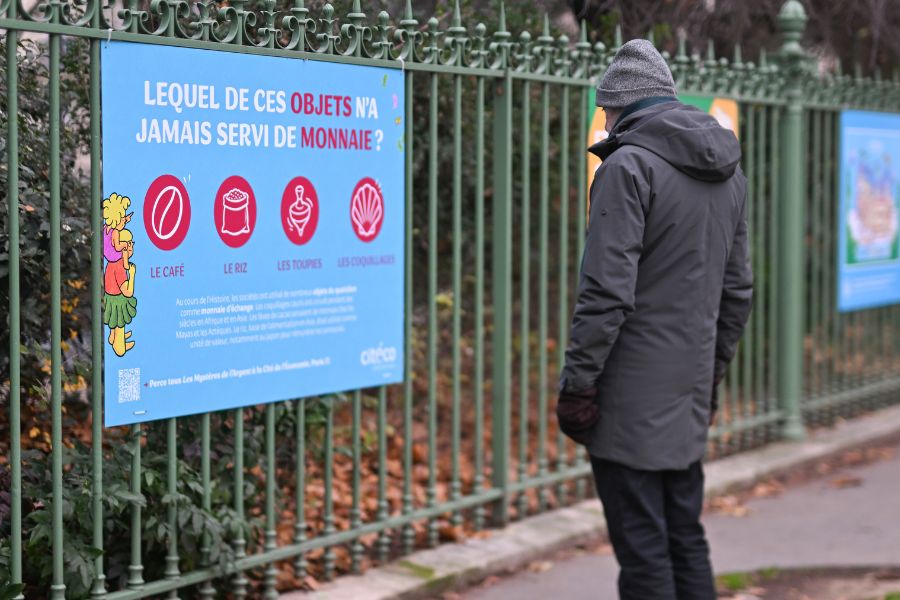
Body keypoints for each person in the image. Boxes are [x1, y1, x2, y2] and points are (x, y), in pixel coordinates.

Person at [557, 39, 753, 600]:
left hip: (627, 400)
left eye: (606, 114)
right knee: (685, 537)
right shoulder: (729, 175)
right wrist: (708, 377)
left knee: (643, 551)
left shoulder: (627, 167)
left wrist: (578, 385)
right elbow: (737, 291)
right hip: (686, 390)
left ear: (617, 109)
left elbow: (605, 294)